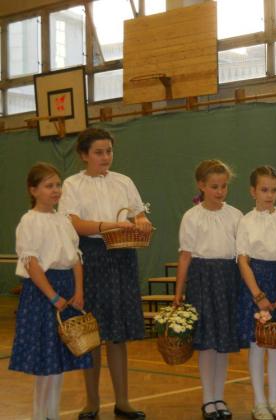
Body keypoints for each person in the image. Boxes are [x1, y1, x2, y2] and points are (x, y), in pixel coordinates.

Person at [58, 128, 152, 420]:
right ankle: (91, 402)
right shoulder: (72, 184)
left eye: (109, 151)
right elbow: (73, 223)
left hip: (122, 256)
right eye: (98, 152)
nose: (105, 157)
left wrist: (142, 222)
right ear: (83, 155)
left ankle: (123, 401)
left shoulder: (124, 181)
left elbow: (139, 214)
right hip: (91, 257)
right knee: (91, 334)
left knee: (118, 335)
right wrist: (107, 226)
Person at [10, 162, 92, 420]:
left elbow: (75, 259)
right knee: (45, 362)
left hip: (67, 289)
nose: (56, 190)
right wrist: (52, 296)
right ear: (33, 190)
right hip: (43, 292)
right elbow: (31, 264)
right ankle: (39, 414)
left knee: (59, 361)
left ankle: (53, 414)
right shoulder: (29, 221)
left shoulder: (64, 220)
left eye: (57, 185)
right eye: (49, 186)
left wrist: (79, 291)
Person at [173, 159, 242, 420]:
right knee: (207, 344)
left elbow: (242, 255)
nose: (220, 191)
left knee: (222, 342)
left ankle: (219, 397)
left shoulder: (235, 215)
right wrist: (178, 292)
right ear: (201, 185)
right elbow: (185, 256)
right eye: (214, 186)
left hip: (228, 279)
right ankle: (207, 399)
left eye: (224, 186)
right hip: (202, 280)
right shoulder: (192, 217)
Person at [236, 166, 276, 420]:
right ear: (253, 191)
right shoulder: (246, 221)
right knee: (257, 344)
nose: (269, 195)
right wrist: (258, 295)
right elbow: (243, 261)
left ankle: (275, 401)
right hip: (257, 285)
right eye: (264, 190)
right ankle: (259, 403)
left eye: (274, 190)